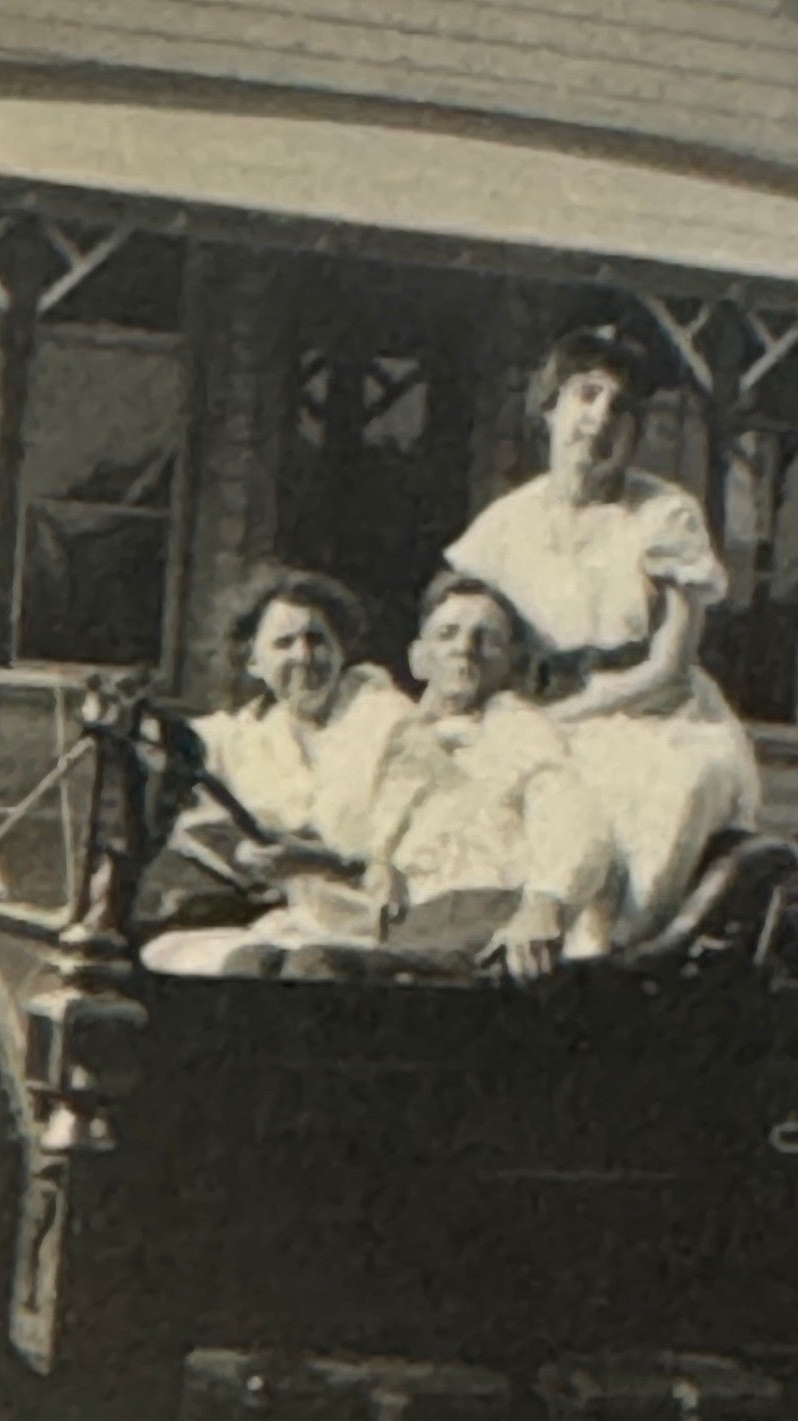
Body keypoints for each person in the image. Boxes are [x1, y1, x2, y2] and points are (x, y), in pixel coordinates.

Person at [442, 325, 760, 947]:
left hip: (660, 719)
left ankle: (608, 967)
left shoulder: (665, 515)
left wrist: (564, 719)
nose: (600, 419)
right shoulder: (507, 524)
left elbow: (668, 668)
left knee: (671, 790)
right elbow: (463, 635)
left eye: (622, 409)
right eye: (586, 395)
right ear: (550, 407)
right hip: (544, 716)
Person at [139, 567, 455, 977]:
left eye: (316, 640)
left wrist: (320, 861)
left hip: (388, 927)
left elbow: (423, 853)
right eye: (284, 643)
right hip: (298, 924)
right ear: (254, 661)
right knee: (179, 956)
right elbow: (185, 749)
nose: (303, 657)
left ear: (342, 649)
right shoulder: (251, 736)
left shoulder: (390, 721)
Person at [388, 573, 619, 982]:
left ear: (511, 660)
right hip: (404, 929)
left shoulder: (518, 729)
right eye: (447, 634)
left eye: (486, 638)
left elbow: (572, 814)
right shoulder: (399, 737)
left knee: (315, 973)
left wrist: (545, 904)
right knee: (263, 964)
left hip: (482, 921)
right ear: (418, 658)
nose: (464, 648)